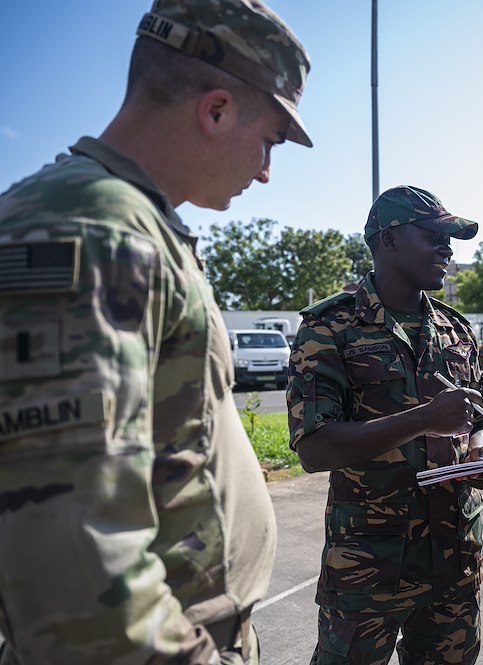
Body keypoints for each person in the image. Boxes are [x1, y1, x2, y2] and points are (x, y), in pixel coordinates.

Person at [0, 1, 312, 662]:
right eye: (269, 141)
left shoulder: (130, 224)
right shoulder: (94, 230)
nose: (265, 170)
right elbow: (75, 563)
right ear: (216, 110)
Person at [287, 185, 483, 665]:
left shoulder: (455, 328)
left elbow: (480, 419)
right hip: (369, 565)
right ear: (388, 239)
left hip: (454, 556)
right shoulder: (329, 327)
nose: (447, 249)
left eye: (449, 240)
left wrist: (480, 451)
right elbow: (315, 448)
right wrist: (425, 418)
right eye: (433, 237)